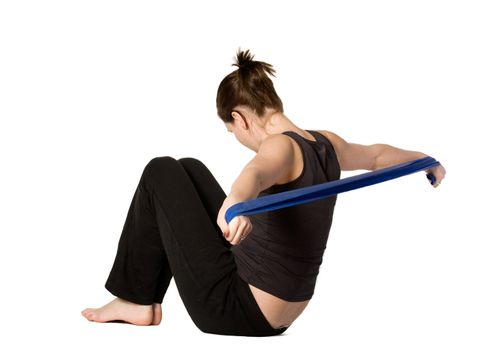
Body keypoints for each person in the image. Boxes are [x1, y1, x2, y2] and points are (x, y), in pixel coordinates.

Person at [81, 49, 446, 336]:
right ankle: (140, 299)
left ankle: (136, 300)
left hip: (236, 308)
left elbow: (254, 175)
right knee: (187, 168)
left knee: (160, 169)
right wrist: (424, 160)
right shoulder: (326, 144)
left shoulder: (278, 148)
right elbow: (378, 155)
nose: (238, 139)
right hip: (279, 313)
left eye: (232, 131)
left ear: (240, 118)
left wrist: (237, 203)